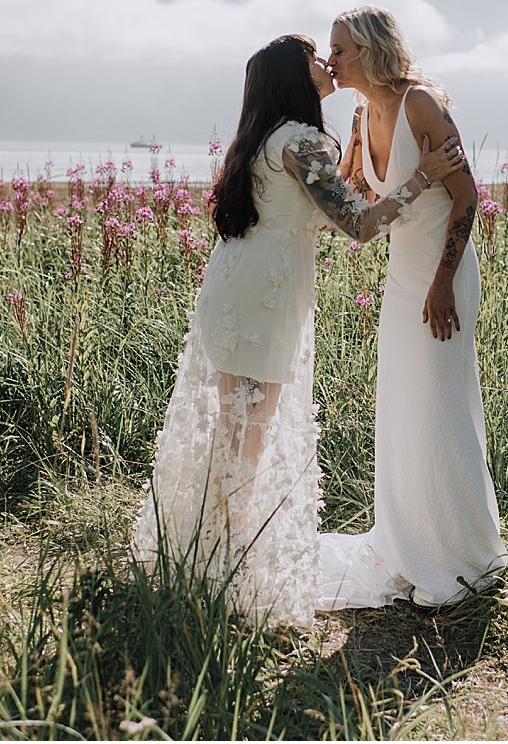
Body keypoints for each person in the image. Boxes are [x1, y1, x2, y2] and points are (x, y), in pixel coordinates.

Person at [131, 33, 464, 629]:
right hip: (264, 302)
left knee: (232, 434)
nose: (326, 63)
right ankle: (222, 574)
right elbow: (358, 226)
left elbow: (333, 201)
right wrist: (421, 179)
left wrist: (360, 158)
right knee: (247, 440)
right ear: (294, 76)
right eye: (315, 57)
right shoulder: (305, 141)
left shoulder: (263, 138)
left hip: (236, 288)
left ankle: (198, 559)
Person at [319, 6, 508, 609]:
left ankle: (464, 557)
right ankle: (408, 545)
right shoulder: (358, 114)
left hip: (443, 278)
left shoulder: (419, 104)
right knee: (403, 406)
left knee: (441, 402)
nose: (332, 61)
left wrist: (443, 281)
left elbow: (468, 196)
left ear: (371, 50)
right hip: (403, 279)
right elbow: (358, 205)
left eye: (340, 50)